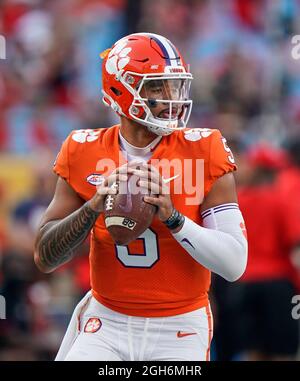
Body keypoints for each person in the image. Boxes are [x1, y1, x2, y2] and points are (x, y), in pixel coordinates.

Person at [34, 33, 248, 361]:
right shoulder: (82, 148)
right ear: (121, 89)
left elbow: (234, 264)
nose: (171, 97)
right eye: (157, 86)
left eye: (173, 85)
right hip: (106, 320)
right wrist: (92, 208)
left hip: (179, 325)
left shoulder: (204, 148)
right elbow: (45, 257)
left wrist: (174, 219)